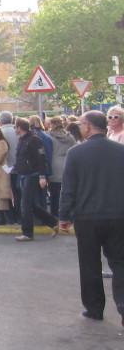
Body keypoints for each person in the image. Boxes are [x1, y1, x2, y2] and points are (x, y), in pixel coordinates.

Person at [58, 111, 124, 325]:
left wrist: (63, 216)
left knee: (89, 264)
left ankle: (94, 308)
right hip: (118, 215)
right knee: (120, 263)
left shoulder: (76, 153)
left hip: (87, 217)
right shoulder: (120, 151)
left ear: (87, 126)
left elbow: (68, 188)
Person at [12, 117, 57, 242]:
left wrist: (42, 176)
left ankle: (27, 233)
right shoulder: (22, 139)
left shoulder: (34, 139)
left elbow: (42, 157)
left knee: (25, 205)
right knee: (30, 204)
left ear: (20, 128)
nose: (14, 129)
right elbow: (21, 157)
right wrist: (15, 168)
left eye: (15, 127)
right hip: (23, 174)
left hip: (32, 175)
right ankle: (54, 222)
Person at [47, 116, 77, 220]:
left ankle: (55, 213)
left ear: (52, 124)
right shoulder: (70, 137)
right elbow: (74, 149)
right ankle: (66, 213)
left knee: (54, 193)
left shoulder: (49, 136)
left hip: (53, 165)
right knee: (65, 191)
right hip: (66, 164)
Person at [0, 111, 21, 223]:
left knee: (7, 192)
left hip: (6, 167)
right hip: (20, 166)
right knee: (18, 192)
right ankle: (19, 215)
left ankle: (10, 216)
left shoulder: (0, 132)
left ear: (1, 121)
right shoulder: (17, 130)